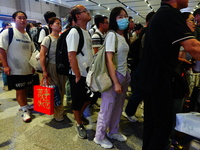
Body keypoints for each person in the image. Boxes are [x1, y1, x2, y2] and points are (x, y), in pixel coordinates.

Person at [138, 0, 200, 150]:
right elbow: (192, 46)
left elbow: (160, 50)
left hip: (151, 78)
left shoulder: (161, 15)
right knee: (162, 127)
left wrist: (178, 60)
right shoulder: (170, 13)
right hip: (159, 80)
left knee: (152, 126)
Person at [93, 7, 131, 149]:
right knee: (107, 106)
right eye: (120, 16)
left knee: (118, 106)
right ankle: (99, 136)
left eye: (125, 16)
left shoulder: (122, 36)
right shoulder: (111, 35)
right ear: (113, 19)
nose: (124, 19)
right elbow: (109, 60)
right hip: (113, 76)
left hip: (124, 74)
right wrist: (115, 82)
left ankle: (114, 131)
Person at [0, 11, 35, 122]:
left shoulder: (27, 35)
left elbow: (31, 52)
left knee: (25, 89)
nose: (22, 20)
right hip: (15, 69)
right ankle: (25, 111)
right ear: (14, 20)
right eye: (19, 18)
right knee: (19, 90)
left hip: (27, 68)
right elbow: (1, 49)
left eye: (24, 18)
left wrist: (34, 65)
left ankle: (25, 105)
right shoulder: (8, 33)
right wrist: (5, 66)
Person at [123, 12, 155, 122]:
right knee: (139, 92)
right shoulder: (147, 33)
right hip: (141, 68)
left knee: (143, 92)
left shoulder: (147, 33)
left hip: (142, 67)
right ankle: (128, 112)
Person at [67, 5, 93, 139]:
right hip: (78, 74)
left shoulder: (86, 32)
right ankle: (78, 123)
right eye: (85, 11)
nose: (88, 13)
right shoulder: (74, 32)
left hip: (87, 74)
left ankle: (79, 115)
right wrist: (77, 75)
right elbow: (71, 55)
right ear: (78, 16)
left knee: (90, 98)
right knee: (77, 100)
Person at [40, 17, 67, 121]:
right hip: (52, 66)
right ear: (51, 25)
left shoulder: (61, 38)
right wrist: (44, 70)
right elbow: (42, 55)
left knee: (62, 89)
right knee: (55, 90)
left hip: (61, 67)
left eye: (60, 23)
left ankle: (60, 110)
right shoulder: (48, 39)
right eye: (57, 23)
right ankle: (58, 114)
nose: (59, 25)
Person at [0, 21, 12, 91]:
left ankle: (9, 84)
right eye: (8, 25)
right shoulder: (2, 34)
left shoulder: (10, 34)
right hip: (2, 55)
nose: (10, 26)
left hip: (9, 55)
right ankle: (6, 84)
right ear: (4, 26)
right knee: (4, 70)